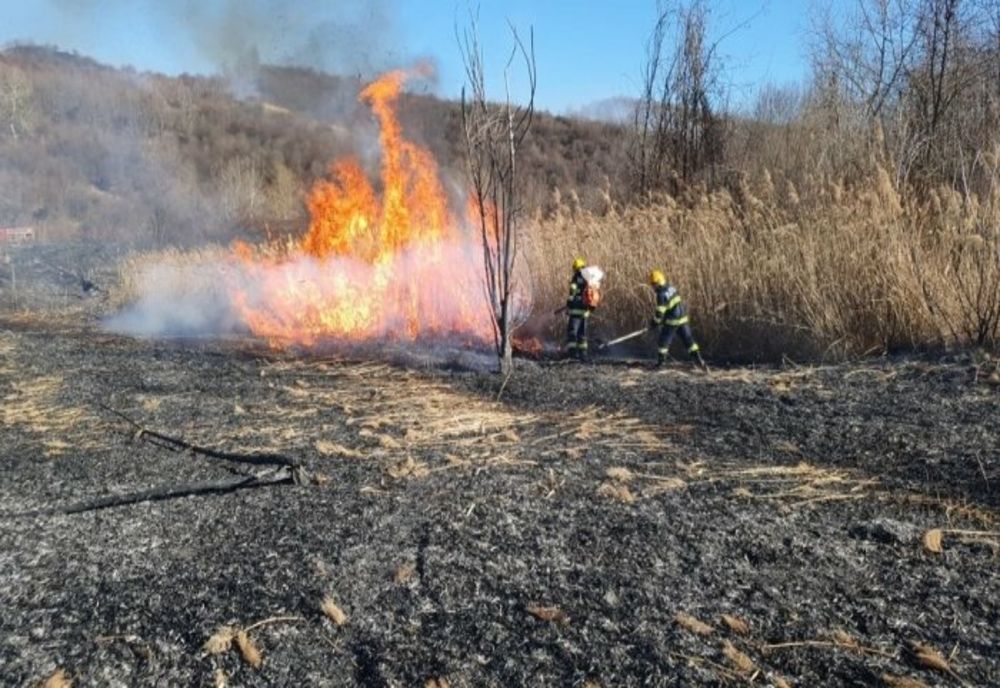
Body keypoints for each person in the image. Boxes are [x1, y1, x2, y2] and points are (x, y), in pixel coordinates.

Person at [648, 270, 706, 369]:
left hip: (672, 321)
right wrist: (662, 319)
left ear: (658, 282)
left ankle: (660, 364)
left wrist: (655, 323)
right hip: (682, 318)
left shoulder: (660, 294)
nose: (653, 287)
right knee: (688, 340)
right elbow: (671, 305)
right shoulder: (671, 288)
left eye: (654, 284)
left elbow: (660, 312)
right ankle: (699, 360)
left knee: (663, 341)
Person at [565, 257, 592, 360]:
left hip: (576, 310)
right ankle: (583, 354)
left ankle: (573, 353)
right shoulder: (589, 278)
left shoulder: (576, 277)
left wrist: (569, 303)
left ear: (576, 268)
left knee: (572, 332)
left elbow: (572, 293)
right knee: (582, 333)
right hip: (585, 311)